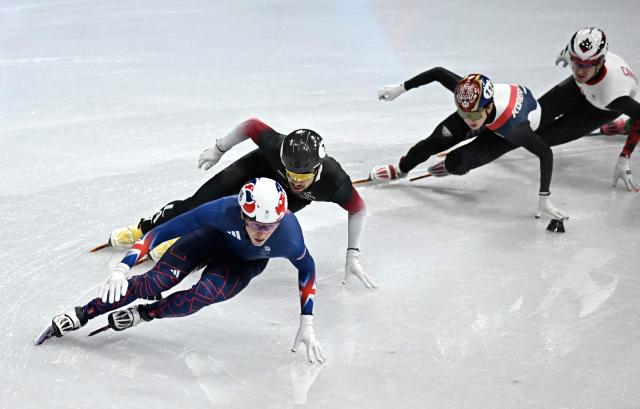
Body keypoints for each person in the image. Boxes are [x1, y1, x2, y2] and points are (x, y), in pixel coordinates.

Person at [43, 178, 326, 363]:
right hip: (209, 241)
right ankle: (83, 314)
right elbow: (160, 232)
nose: (262, 233)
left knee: (202, 295)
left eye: (270, 226)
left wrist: (307, 322)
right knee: (153, 282)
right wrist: (122, 267)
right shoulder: (221, 210)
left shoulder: (289, 235)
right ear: (241, 214)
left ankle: (145, 314)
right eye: (255, 224)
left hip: (242, 265)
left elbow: (308, 269)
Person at [108, 118, 376, 288]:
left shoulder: (335, 183)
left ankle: (186, 244)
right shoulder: (275, 145)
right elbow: (251, 126)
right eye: (291, 173)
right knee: (198, 205)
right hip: (253, 170)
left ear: (317, 169)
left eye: (302, 176)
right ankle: (144, 228)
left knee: (245, 229)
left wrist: (353, 253)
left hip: (280, 201)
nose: (295, 181)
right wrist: (219, 149)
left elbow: (358, 209)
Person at [408, 27, 640, 192]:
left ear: (600, 62)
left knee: (541, 139)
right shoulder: (584, 63)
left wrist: (624, 158)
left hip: (600, 108)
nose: (579, 70)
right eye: (575, 61)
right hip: (581, 90)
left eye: (586, 65)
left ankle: (619, 125)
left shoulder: (614, 95)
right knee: (531, 121)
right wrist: (566, 56)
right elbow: (578, 57)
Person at [373, 69, 566, 219]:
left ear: (489, 106)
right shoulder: (468, 96)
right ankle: (401, 169)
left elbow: (545, 153)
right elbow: (438, 73)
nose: (468, 120)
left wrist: (544, 198)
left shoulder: (515, 128)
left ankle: (453, 165)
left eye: (472, 115)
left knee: (456, 162)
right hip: (489, 115)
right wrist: (400, 88)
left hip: (504, 131)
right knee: (432, 143)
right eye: (463, 113)